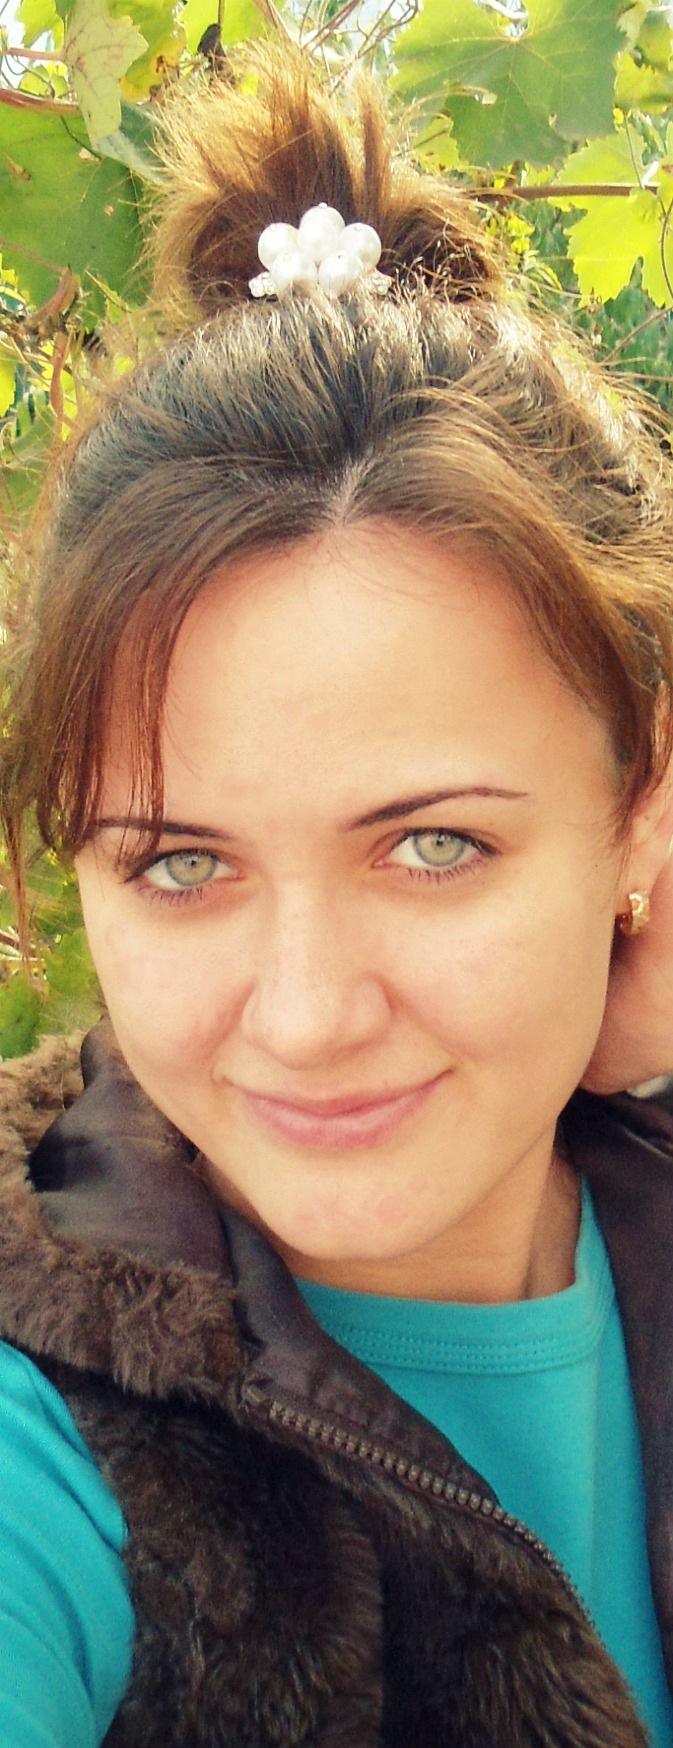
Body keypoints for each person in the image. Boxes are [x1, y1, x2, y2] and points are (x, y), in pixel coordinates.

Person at [1, 45, 673, 1748]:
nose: (303, 1018)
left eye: (432, 845)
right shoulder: (44, 1429)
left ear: (639, 808)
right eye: (179, 864)